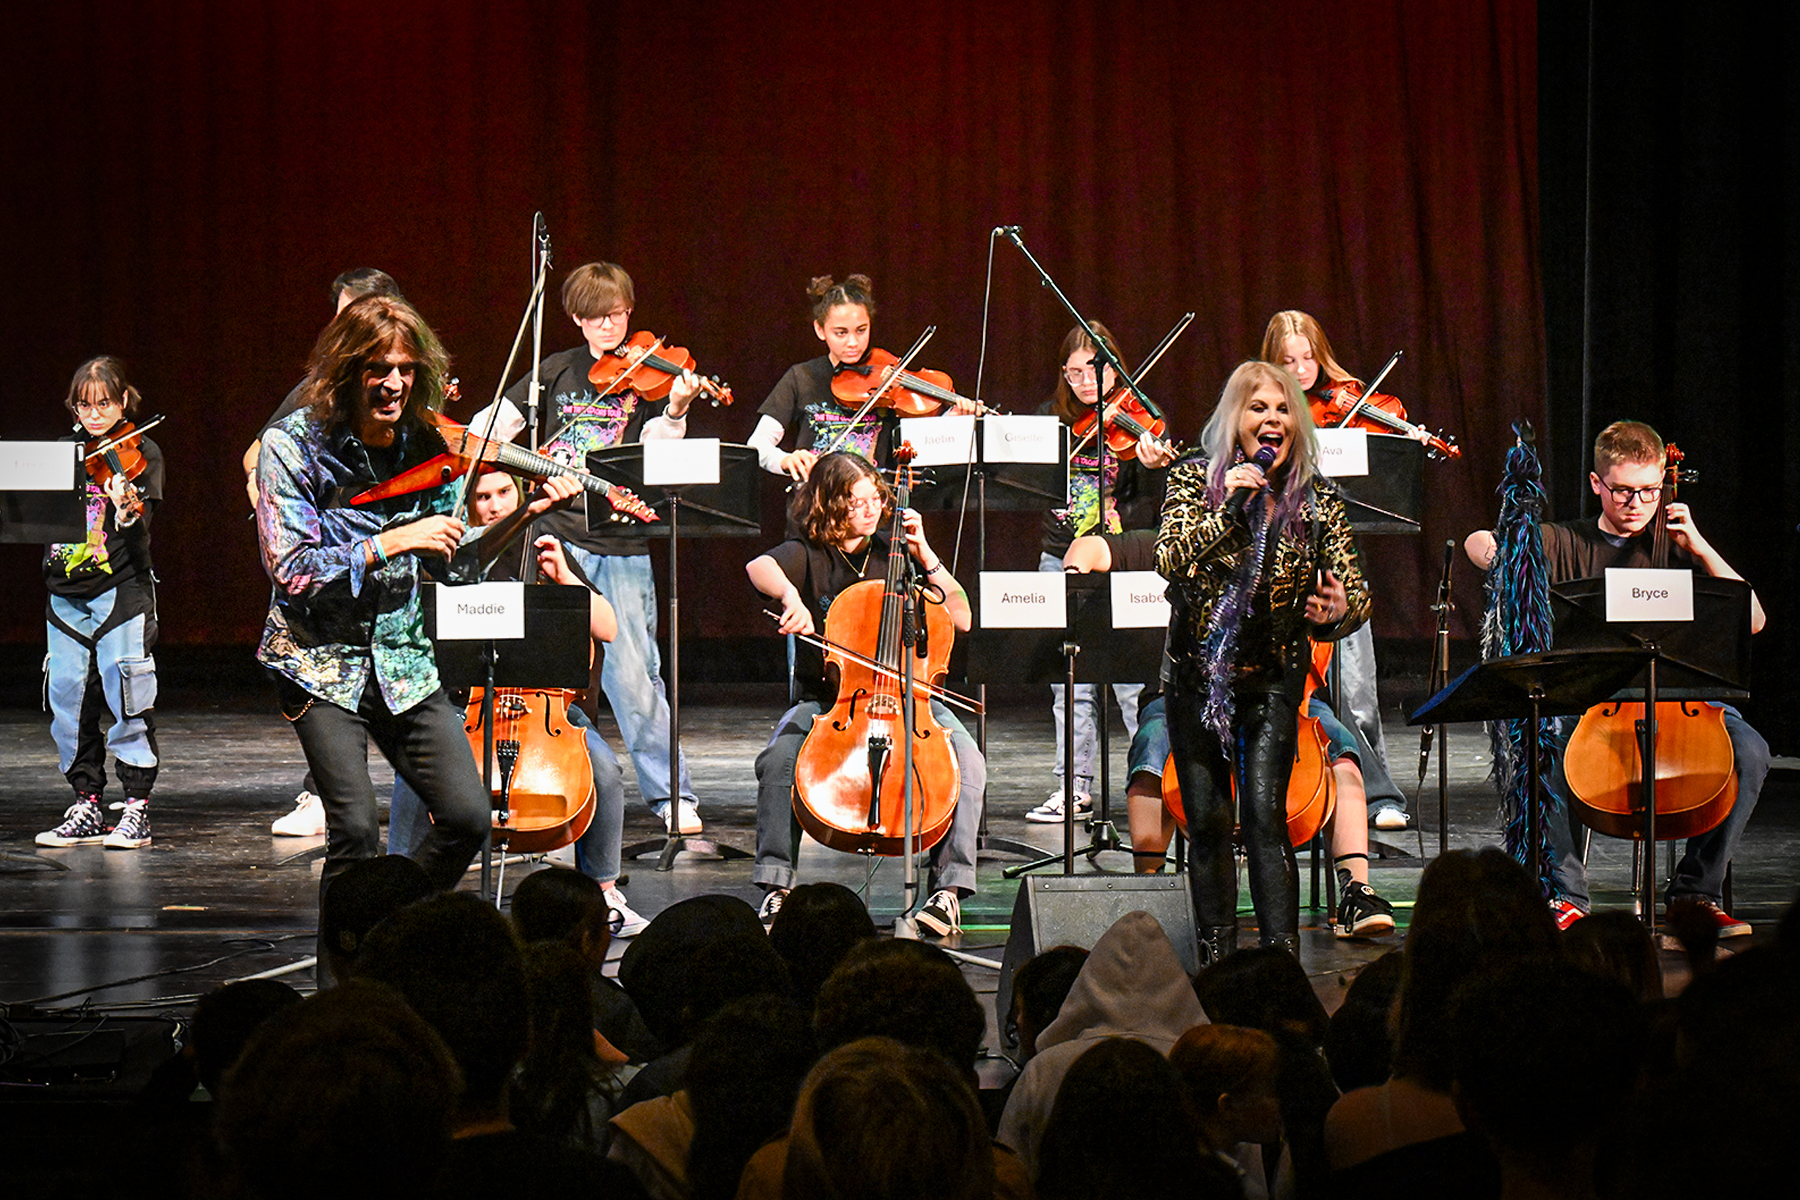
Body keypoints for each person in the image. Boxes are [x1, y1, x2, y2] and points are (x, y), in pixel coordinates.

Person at [255, 295, 573, 933]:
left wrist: (523, 516)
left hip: (404, 659)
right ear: (347, 372)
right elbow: (291, 569)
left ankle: (390, 929)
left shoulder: (431, 446)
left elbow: (456, 564)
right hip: (319, 662)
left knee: (466, 818)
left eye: (404, 368)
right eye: (377, 369)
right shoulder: (291, 446)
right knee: (351, 830)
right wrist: (392, 540)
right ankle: (342, 993)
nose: (393, 383)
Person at [1464, 419, 1768, 936]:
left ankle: (1695, 893)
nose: (1637, 503)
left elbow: (1754, 619)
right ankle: (1564, 895)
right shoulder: (1565, 541)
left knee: (1751, 751)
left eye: (1649, 491)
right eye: (1624, 490)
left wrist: (1698, 544)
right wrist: (1509, 559)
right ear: (1596, 483)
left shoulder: (1677, 547)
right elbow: (1477, 542)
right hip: (1589, 700)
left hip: (1675, 700)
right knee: (1542, 740)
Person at [467, 261, 703, 833]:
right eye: (598, 318)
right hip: (555, 537)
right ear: (576, 319)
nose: (611, 327)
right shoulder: (556, 371)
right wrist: (507, 443)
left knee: (632, 672)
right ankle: (544, 777)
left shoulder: (652, 374)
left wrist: (675, 409)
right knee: (542, 668)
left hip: (619, 540)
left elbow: (653, 454)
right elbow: (488, 426)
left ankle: (673, 795)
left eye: (619, 315)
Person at [1068, 530, 1396, 939]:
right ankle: (1150, 890)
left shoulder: (1286, 550)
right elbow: (1090, 548)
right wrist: (1074, 571)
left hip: (1283, 695)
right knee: (1151, 749)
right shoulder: (1177, 539)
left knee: (1342, 749)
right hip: (1184, 693)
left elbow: (1344, 595)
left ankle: (1356, 889)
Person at [1157, 360, 1370, 962]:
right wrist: (1233, 506)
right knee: (1207, 823)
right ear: (1236, 420)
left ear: (1295, 423)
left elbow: (1357, 597)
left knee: (1263, 819)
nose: (1271, 418)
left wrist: (1335, 611)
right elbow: (1169, 558)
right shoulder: (1192, 480)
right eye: (1258, 408)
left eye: (1281, 409)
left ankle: (1280, 963)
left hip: (1274, 678)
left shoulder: (1316, 499)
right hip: (1197, 678)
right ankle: (1216, 958)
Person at [383, 466, 647, 935]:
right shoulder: (452, 556)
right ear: (468, 506)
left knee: (604, 771)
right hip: (468, 702)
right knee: (415, 769)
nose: (495, 504)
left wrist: (566, 578)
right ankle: (400, 888)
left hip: (547, 706)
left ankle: (605, 893)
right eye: (482, 497)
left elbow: (607, 627)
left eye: (504, 493)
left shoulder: (545, 548)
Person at [744, 451, 984, 934]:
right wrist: (792, 598)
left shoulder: (894, 552)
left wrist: (927, 556)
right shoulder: (808, 552)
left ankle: (948, 891)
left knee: (969, 762)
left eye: (877, 498)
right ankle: (776, 886)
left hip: (911, 699)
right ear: (831, 504)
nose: (871, 510)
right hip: (830, 700)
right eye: (857, 502)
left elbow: (960, 616)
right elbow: (758, 567)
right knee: (779, 761)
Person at [251, 267, 406, 839]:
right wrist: (279, 513)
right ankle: (326, 795)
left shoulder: (404, 407)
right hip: (325, 587)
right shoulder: (309, 403)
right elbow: (257, 459)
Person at [1262, 310, 1413, 830]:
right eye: (1288, 361)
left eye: (1308, 358)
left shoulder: (1346, 406)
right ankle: (1304, 791)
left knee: (1357, 692)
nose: (1301, 370)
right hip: (1279, 575)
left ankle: (1379, 796)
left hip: (1337, 570)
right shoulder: (1268, 420)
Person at [1025, 323, 1174, 825]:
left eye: (1094, 369)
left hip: (1123, 557)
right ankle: (1073, 787)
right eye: (1074, 372)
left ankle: (1151, 780)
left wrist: (1154, 464)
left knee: (1136, 678)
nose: (1086, 382)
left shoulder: (1140, 419)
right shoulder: (1051, 420)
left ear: (1115, 368)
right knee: (1070, 682)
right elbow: (1027, 480)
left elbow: (1161, 500)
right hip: (1060, 554)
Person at [37, 357, 164, 850]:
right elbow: (32, 520)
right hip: (63, 591)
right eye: (84, 405)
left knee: (127, 692)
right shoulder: (61, 453)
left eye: (104, 403)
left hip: (121, 588)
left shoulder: (141, 451)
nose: (94, 415)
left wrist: (123, 508)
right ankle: (86, 803)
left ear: (123, 401)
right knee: (67, 696)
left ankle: (136, 808)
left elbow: (141, 525)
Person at [747, 273, 979, 481]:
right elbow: (757, 445)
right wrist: (786, 460)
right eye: (840, 333)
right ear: (820, 330)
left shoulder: (888, 377)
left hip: (875, 515)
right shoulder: (802, 377)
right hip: (816, 513)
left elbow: (919, 451)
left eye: (861, 330)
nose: (853, 342)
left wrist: (951, 421)